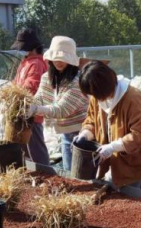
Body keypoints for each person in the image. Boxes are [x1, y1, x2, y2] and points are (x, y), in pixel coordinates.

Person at [77, 61, 141, 190]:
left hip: (139, 164)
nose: (95, 99)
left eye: (96, 95)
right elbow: (91, 120)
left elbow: (140, 134)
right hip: (117, 164)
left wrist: (113, 147)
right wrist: (85, 134)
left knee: (137, 202)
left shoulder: (133, 99)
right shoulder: (97, 96)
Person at [27, 36, 88, 171]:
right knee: (69, 172)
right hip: (65, 134)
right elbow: (40, 97)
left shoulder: (78, 81)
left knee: (80, 176)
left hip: (83, 134)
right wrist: (25, 104)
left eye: (63, 58)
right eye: (56, 57)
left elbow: (62, 109)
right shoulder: (46, 78)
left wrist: (35, 109)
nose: (59, 61)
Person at [11, 28, 50, 165]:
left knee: (36, 149)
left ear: (31, 47)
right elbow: (17, 82)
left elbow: (32, 86)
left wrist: (14, 93)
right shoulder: (26, 62)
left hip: (32, 113)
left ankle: (45, 173)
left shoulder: (37, 63)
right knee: (23, 148)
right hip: (21, 111)